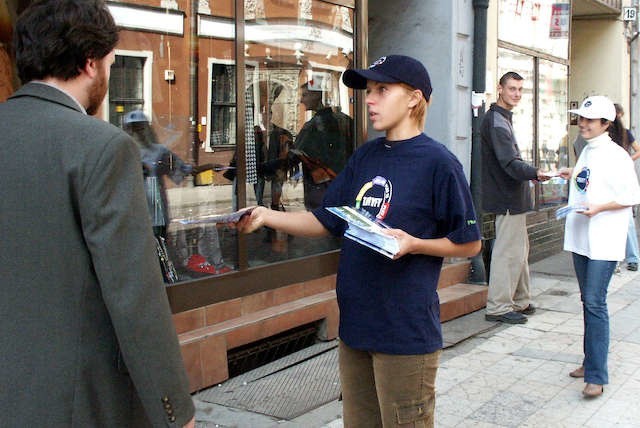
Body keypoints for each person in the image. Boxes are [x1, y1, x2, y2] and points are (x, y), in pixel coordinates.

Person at [237, 54, 481, 427]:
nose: (370, 99)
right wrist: (267, 216)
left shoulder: (439, 163)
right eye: (369, 91)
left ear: (414, 98)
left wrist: (415, 244)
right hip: (356, 326)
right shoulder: (365, 156)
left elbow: (469, 243)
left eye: (382, 90)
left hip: (404, 332)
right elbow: (328, 218)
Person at [0, 1, 195, 426]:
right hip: (75, 401)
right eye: (110, 62)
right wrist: (174, 409)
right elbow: (134, 296)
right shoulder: (100, 146)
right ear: (91, 64)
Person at [559, 95, 640, 398]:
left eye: (590, 120)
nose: (583, 124)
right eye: (581, 118)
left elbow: (631, 196)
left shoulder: (617, 155)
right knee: (587, 301)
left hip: (604, 240)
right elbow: (587, 182)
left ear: (606, 124)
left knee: (595, 302)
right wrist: (571, 173)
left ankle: (596, 375)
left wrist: (600, 208)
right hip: (582, 237)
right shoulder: (587, 151)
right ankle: (590, 360)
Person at [481, 71, 551, 324]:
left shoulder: (502, 119)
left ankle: (520, 300)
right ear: (500, 89)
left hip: (513, 196)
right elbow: (509, 162)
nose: (517, 94)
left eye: (520, 90)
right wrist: (536, 173)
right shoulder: (497, 121)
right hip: (506, 196)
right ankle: (498, 307)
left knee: (519, 250)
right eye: (512, 89)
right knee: (507, 252)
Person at [295, 81, 353, 210]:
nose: (301, 100)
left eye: (305, 95)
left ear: (316, 95)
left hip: (321, 189)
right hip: (340, 185)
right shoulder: (344, 120)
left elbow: (298, 153)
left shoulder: (314, 125)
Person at [609, 103, 640, 271]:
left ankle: (627, 258)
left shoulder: (622, 133)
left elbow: (638, 150)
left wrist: (628, 160)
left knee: (624, 219)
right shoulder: (618, 133)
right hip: (618, 179)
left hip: (620, 179)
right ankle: (630, 258)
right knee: (625, 220)